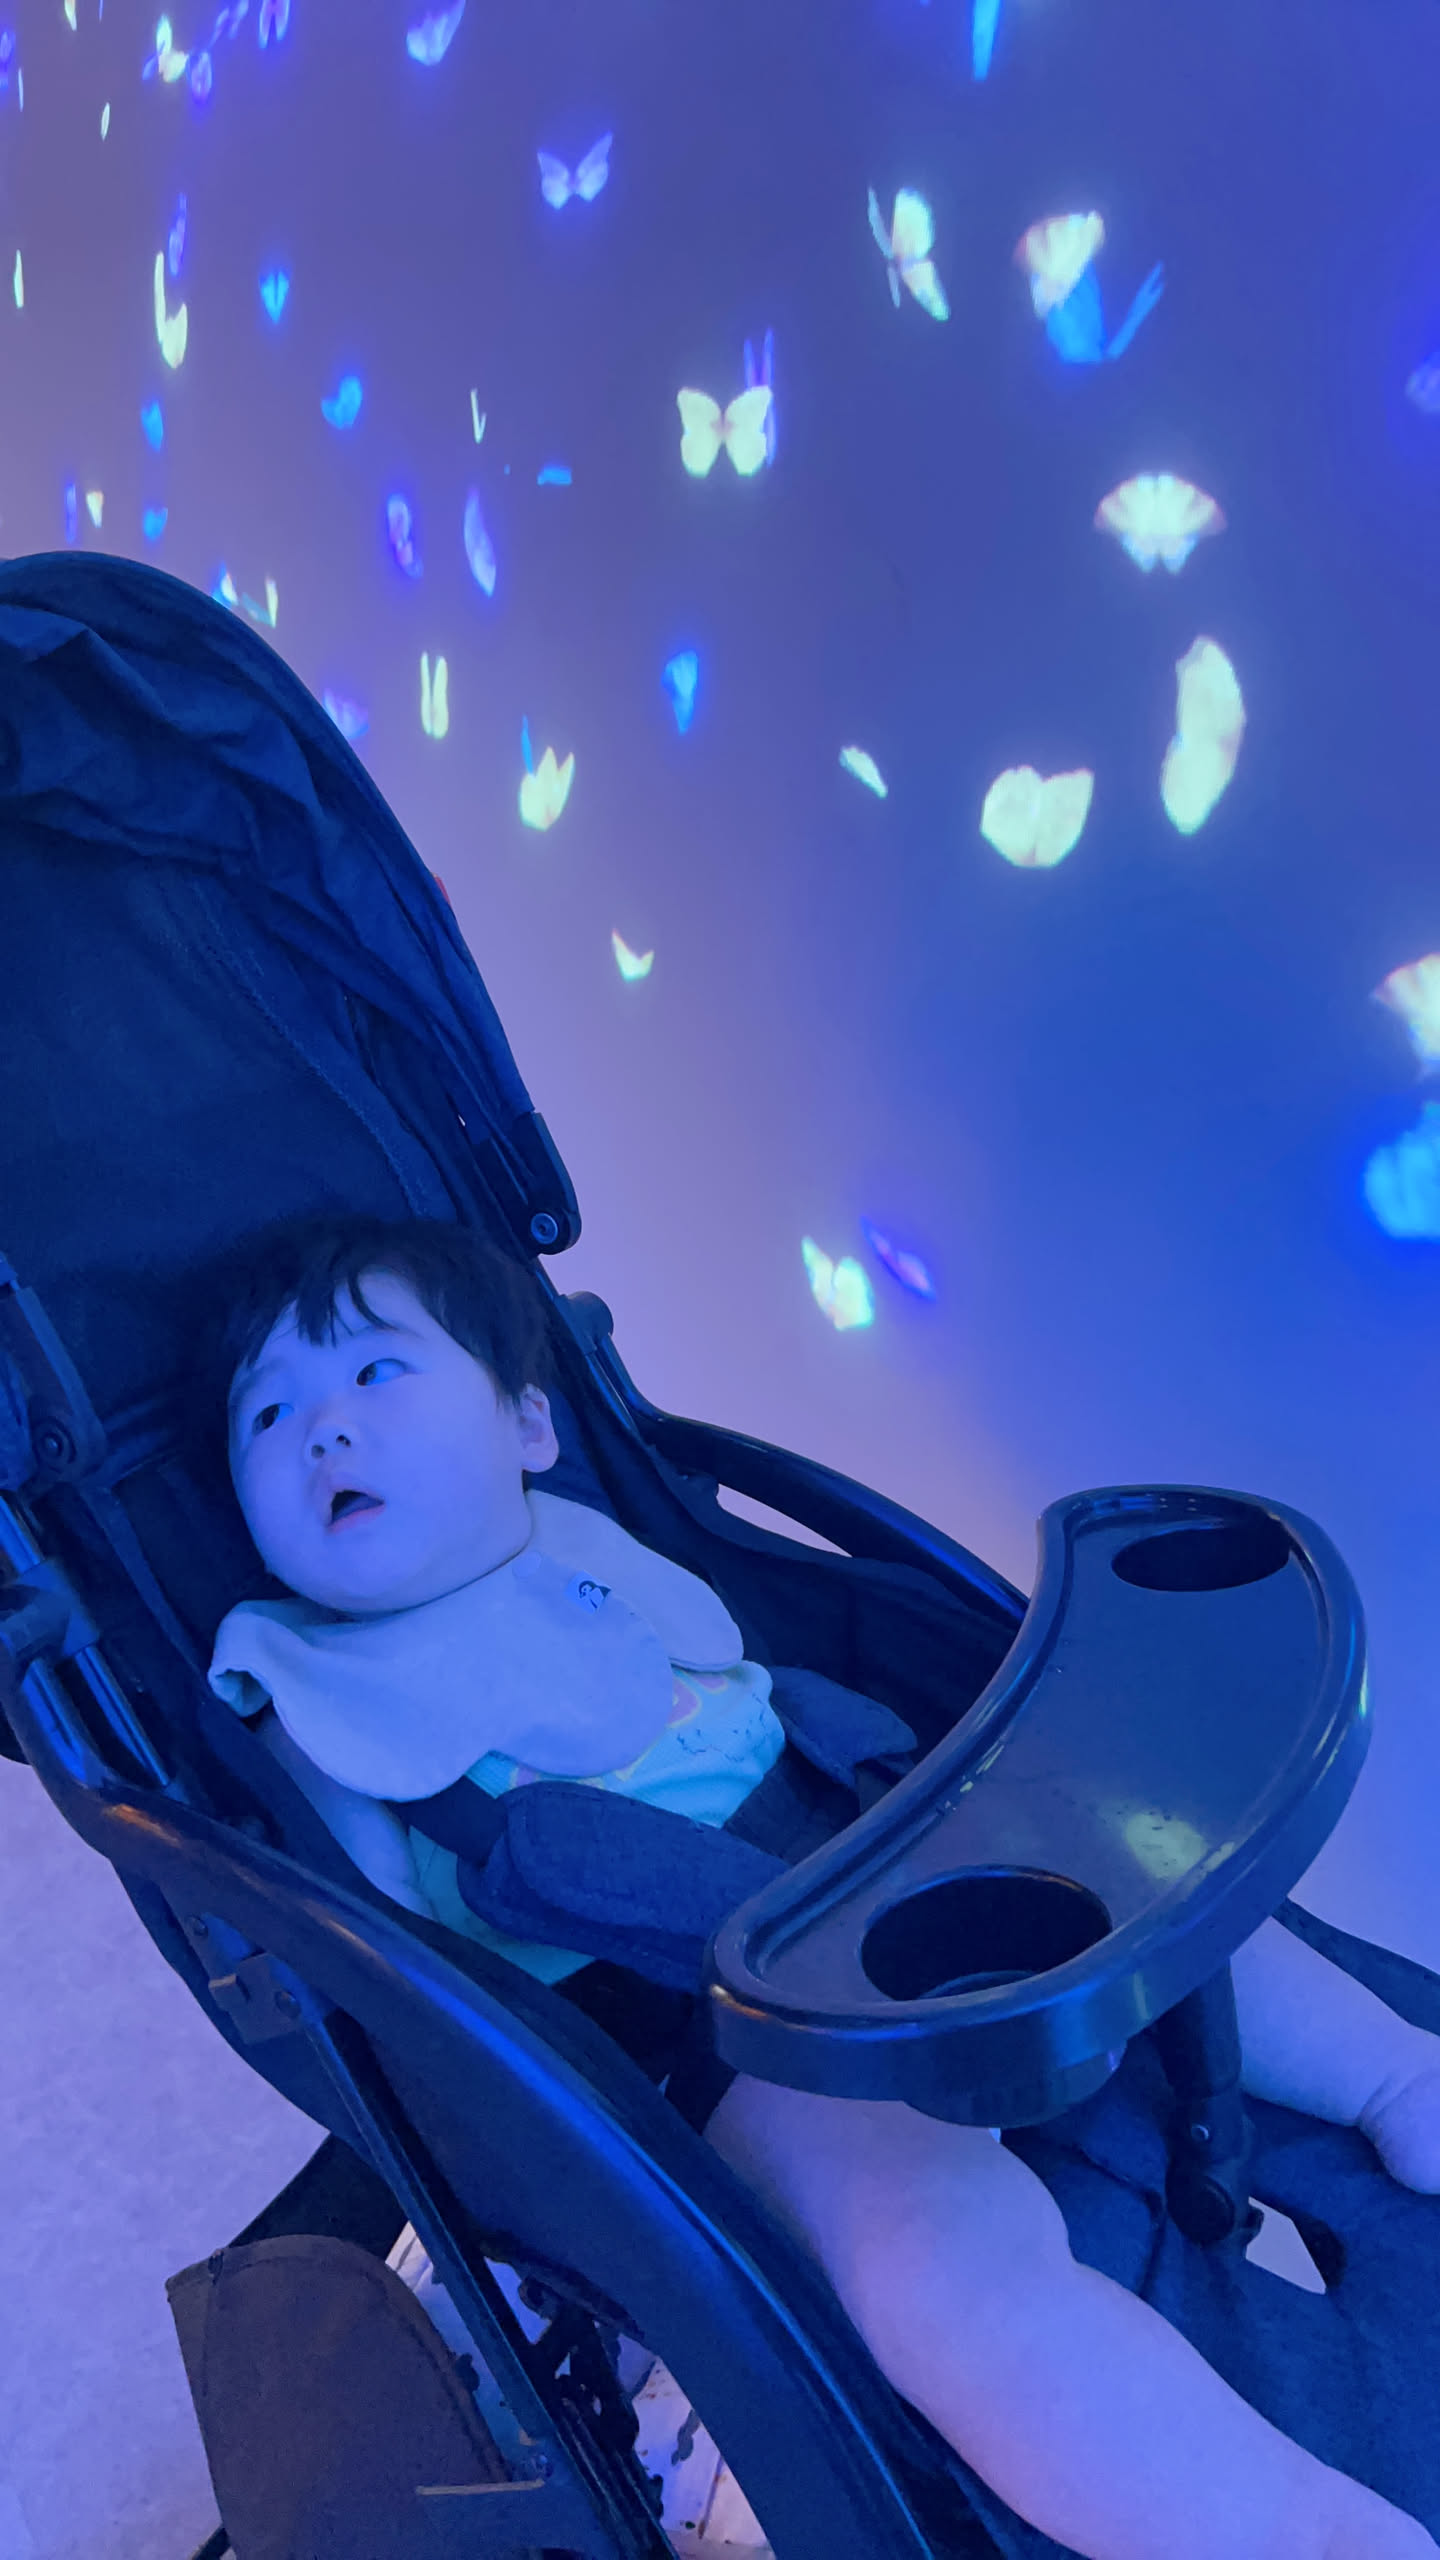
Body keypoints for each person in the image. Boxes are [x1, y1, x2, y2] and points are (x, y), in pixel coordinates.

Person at [200, 1213, 1440, 2560]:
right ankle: (1291, 2531)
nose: (323, 1429)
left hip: (873, 1842)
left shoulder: (594, 1545)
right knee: (931, 2278)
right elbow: (387, 1965)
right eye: (269, 1415)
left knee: (1153, 1885)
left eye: (375, 1372)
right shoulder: (319, 1709)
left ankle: (1396, 2076)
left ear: (531, 1429)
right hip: (716, 2021)